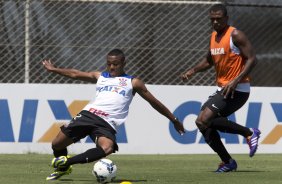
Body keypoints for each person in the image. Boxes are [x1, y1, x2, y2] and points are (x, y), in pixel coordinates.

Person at [42, 49, 185, 180]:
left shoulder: (133, 82)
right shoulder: (100, 76)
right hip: (89, 115)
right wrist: (54, 69)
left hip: (107, 122)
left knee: (107, 148)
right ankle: (63, 168)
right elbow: (75, 73)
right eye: (109, 64)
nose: (111, 67)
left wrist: (174, 119)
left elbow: (154, 102)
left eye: (115, 64)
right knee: (57, 144)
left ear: (123, 63)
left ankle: (67, 162)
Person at [181, 4, 260, 173]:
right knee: (203, 124)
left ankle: (249, 133)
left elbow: (253, 59)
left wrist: (236, 80)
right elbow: (209, 61)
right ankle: (228, 162)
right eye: (212, 19)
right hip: (224, 88)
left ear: (226, 18)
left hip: (238, 89)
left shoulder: (236, 35)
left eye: (218, 18)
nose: (215, 22)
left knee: (204, 119)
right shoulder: (213, 37)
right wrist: (193, 70)